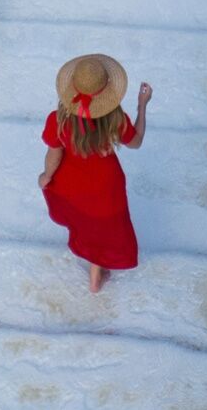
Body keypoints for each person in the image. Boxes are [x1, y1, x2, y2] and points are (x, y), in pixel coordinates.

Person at [39, 52, 151, 291]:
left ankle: (94, 273)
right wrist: (142, 106)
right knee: (105, 227)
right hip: (106, 186)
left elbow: (54, 155)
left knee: (86, 223)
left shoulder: (58, 121)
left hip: (73, 184)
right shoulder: (115, 119)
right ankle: (96, 270)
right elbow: (137, 141)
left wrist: (46, 176)